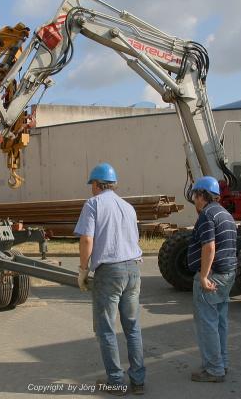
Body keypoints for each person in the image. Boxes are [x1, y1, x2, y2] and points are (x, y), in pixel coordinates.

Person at [74, 162, 145, 396]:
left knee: (106, 328)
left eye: (91, 185)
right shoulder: (128, 207)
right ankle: (138, 380)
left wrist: (83, 270)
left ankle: (115, 381)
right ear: (112, 184)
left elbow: (87, 240)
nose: (91, 190)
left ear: (96, 184)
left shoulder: (93, 204)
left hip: (110, 271)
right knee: (132, 327)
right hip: (133, 269)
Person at [187, 176, 237, 383]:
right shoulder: (225, 214)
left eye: (195, 196)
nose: (195, 201)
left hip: (213, 275)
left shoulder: (207, 215)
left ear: (201, 195)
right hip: (227, 273)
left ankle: (214, 370)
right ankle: (222, 363)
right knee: (220, 321)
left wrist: (204, 276)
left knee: (207, 323)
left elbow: (209, 247)